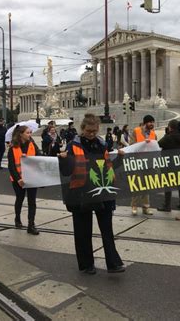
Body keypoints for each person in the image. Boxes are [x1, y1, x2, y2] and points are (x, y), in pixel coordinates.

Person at [59, 113, 125, 274]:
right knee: (83, 232)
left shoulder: (102, 144)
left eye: (94, 131)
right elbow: (67, 172)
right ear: (82, 129)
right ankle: (86, 265)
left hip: (102, 192)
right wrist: (63, 159)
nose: (92, 134)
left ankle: (113, 263)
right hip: (81, 194)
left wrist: (120, 159)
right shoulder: (72, 146)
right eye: (89, 131)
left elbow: (108, 168)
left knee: (107, 230)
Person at [7, 125, 42, 235]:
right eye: (27, 133)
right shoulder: (13, 148)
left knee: (32, 201)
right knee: (20, 198)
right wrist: (18, 179)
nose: (30, 134)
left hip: (31, 178)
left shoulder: (32, 145)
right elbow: (11, 166)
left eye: (30, 132)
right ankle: (17, 218)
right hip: (18, 179)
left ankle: (31, 225)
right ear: (21, 134)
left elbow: (40, 157)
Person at [157, 119, 180, 212]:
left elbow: (159, 143)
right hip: (179, 163)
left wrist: (166, 134)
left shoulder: (169, 137)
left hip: (168, 164)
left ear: (170, 127)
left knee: (168, 186)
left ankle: (167, 205)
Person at [130, 115, 157, 215]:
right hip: (138, 162)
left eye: (153, 122)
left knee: (147, 185)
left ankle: (146, 207)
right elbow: (132, 145)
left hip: (149, 163)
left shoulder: (154, 134)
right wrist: (143, 144)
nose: (152, 124)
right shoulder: (136, 131)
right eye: (150, 122)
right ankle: (134, 206)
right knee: (137, 184)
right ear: (145, 123)